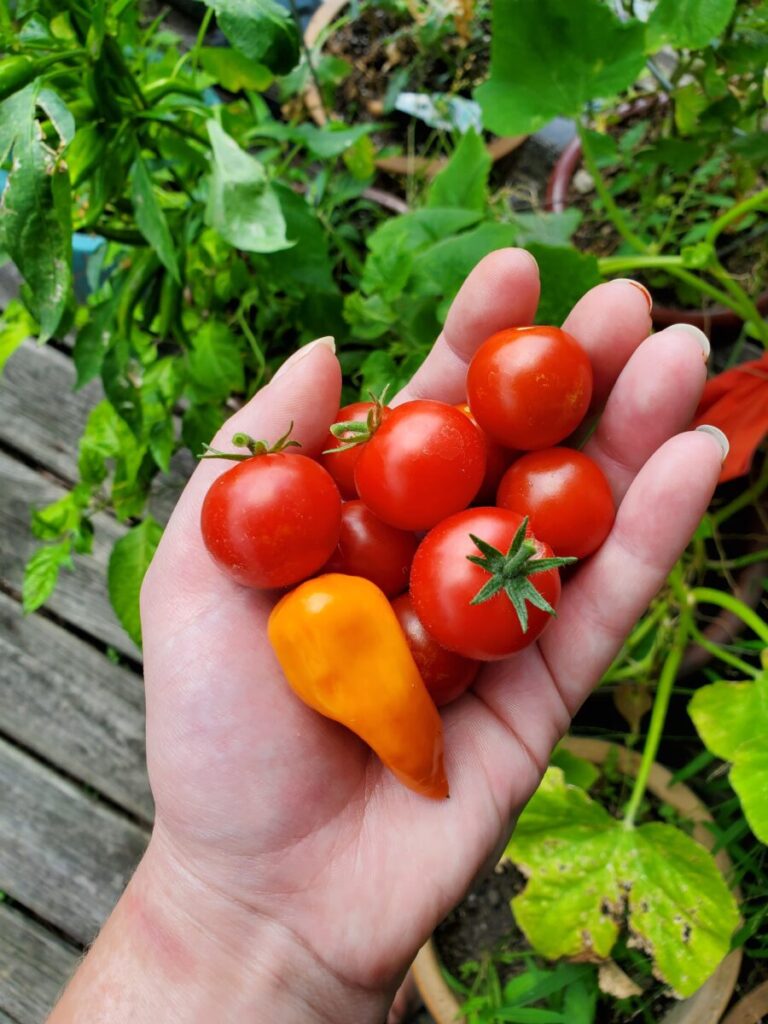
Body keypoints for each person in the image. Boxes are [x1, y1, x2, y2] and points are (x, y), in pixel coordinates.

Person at [49, 250, 725, 1024]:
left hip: (465, 570)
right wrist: (238, 911)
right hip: (453, 585)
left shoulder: (451, 531)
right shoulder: (390, 547)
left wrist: (232, 928)